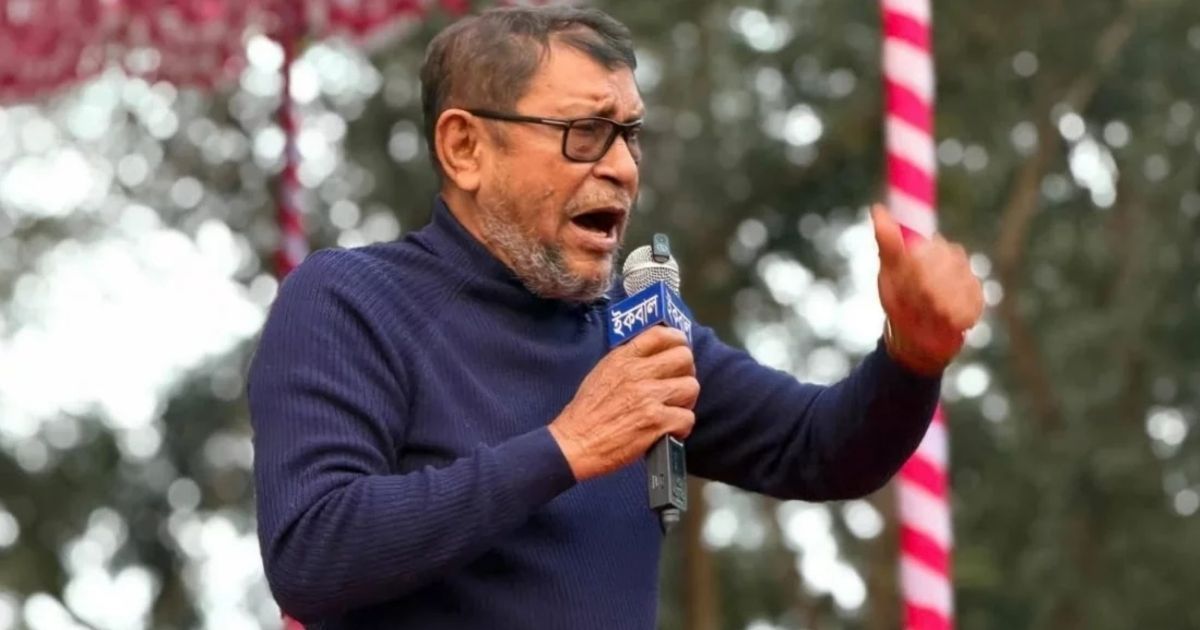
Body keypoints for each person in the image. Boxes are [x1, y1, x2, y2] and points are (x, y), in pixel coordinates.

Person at [248, 6, 984, 629]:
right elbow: (312, 550)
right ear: (465, 148)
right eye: (585, 132)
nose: (623, 167)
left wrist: (910, 358)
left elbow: (820, 448)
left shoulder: (636, 328)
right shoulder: (352, 301)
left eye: (630, 133)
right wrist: (567, 447)